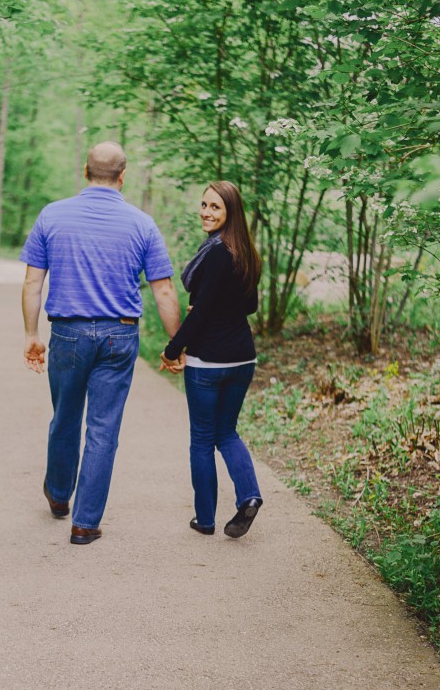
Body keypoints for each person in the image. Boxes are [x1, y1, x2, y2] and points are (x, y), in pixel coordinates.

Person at [21, 141, 182, 545]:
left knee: (65, 417)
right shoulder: (142, 224)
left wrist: (31, 335)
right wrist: (176, 344)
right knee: (103, 428)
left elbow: (32, 282)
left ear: (85, 171)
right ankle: (85, 523)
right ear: (123, 176)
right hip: (119, 335)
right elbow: (163, 290)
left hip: (68, 333)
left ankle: (59, 496)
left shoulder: (52, 214)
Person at [160, 181, 263, 539]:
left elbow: (201, 313)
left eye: (215, 207)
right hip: (242, 359)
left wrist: (173, 349)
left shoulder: (216, 253)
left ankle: (205, 519)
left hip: (209, 361)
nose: (206, 212)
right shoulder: (246, 252)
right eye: (204, 205)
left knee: (203, 439)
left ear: (230, 212)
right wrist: (214, 306)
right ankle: (249, 497)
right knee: (227, 432)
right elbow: (249, 306)